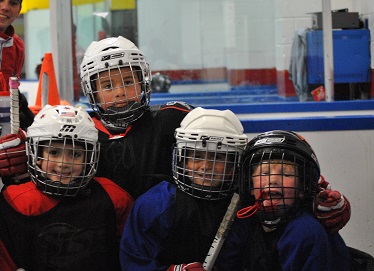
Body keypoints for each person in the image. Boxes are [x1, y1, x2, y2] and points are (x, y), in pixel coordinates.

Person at [0, 36, 351, 231]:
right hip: (105, 235)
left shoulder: (173, 118)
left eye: (128, 81)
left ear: (145, 80)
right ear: (90, 90)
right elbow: (48, 171)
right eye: (107, 85)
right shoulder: (81, 132)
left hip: (178, 226)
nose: (120, 92)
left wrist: (304, 185)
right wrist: (15, 166)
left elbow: (227, 148)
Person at [0, 104, 133, 271]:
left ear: (90, 156)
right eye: (54, 152)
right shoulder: (17, 201)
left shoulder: (112, 197)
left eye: (75, 154)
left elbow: (132, 252)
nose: (64, 163)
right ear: (37, 156)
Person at [119, 107, 248, 270]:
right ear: (183, 160)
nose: (206, 166)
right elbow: (135, 261)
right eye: (196, 156)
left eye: (218, 157)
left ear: (232, 165)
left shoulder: (242, 209)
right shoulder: (156, 204)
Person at [215, 130, 351, 270]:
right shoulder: (243, 223)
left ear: (302, 189)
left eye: (286, 174)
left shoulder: (305, 231)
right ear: (250, 185)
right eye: (264, 173)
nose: (273, 180)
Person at [0, 0, 34, 130]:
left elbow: (12, 89)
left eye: (13, 3)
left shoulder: (17, 46)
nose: (5, 8)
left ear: (19, 10)